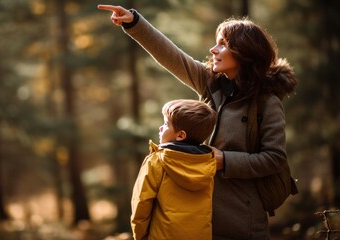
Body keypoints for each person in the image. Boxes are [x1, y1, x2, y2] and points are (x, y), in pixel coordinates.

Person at [98, 4, 298, 240]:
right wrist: (134, 22)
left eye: (223, 44)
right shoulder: (210, 84)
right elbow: (172, 56)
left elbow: (274, 159)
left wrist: (224, 160)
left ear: (244, 52)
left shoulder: (268, 103)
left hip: (242, 219)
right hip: (197, 216)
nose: (213, 49)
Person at [131, 99, 217, 240]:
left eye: (165, 124)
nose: (160, 128)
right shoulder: (207, 162)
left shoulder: (156, 161)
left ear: (181, 135)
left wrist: (140, 235)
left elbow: (141, 204)